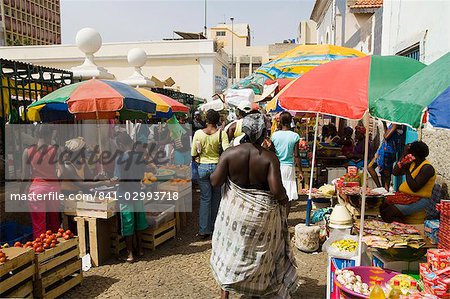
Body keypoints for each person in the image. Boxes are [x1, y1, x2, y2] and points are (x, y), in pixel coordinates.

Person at [210, 113, 299, 299]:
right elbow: (276, 190)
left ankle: (224, 295)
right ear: (262, 134)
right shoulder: (269, 158)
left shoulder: (229, 154)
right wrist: (284, 200)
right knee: (258, 255)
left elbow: (215, 181)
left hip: (233, 215)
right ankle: (255, 292)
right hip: (260, 218)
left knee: (228, 250)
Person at [191, 109, 230, 239]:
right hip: (217, 169)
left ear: (206, 120)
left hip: (202, 167)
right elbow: (227, 152)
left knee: (205, 199)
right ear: (217, 120)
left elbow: (193, 154)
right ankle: (215, 228)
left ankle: (203, 230)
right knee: (216, 198)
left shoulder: (198, 134)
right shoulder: (221, 134)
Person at [112, 132, 148, 262]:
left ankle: (130, 254)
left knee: (128, 223)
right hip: (137, 191)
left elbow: (119, 178)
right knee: (139, 221)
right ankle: (140, 249)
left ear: (121, 145)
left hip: (125, 193)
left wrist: (112, 180)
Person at [20, 124, 61, 239]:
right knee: (54, 222)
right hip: (53, 189)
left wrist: (21, 192)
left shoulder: (27, 151)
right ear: (49, 134)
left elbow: (25, 176)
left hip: (37, 190)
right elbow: (60, 172)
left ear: (36, 134)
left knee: (39, 225)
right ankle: (58, 250)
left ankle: (42, 252)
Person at [381, 141, 436, 223]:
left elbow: (414, 188)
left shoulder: (427, 168)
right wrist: (403, 156)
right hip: (406, 196)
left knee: (389, 212)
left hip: (419, 199)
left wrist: (407, 170)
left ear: (413, 154)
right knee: (382, 205)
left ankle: (404, 229)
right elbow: (395, 172)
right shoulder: (413, 163)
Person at [270, 112, 303, 214]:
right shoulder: (295, 136)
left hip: (276, 166)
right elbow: (296, 155)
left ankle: (277, 216)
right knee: (287, 194)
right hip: (289, 167)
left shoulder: (274, 135)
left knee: (276, 190)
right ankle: (285, 218)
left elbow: (271, 151)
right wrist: (300, 171)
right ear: (290, 121)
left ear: (280, 121)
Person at [368, 123, 404, 190]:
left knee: (386, 176)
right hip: (384, 150)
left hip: (388, 152)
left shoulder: (395, 124)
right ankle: (380, 188)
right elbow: (386, 133)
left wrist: (384, 123)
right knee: (370, 167)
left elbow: (386, 137)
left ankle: (384, 191)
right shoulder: (394, 124)